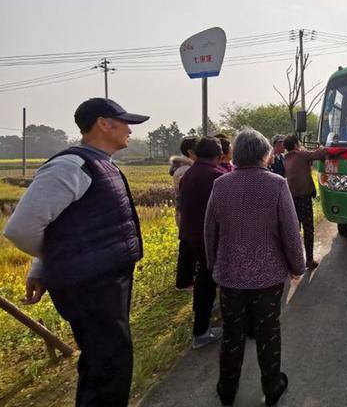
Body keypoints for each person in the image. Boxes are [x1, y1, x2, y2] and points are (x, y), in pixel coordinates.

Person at [3, 98, 149, 407]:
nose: (130, 132)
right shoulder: (71, 166)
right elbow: (21, 228)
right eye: (124, 123)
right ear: (103, 123)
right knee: (108, 368)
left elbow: (61, 228)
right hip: (90, 287)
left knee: (105, 364)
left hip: (103, 282)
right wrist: (53, 260)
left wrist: (42, 264)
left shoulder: (99, 163)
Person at [204, 128, 305, 406]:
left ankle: (226, 390)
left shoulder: (221, 185)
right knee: (268, 333)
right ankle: (272, 387)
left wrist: (214, 265)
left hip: (229, 276)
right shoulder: (276, 184)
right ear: (264, 154)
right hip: (268, 278)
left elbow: (210, 231)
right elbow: (290, 233)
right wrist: (298, 266)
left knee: (232, 335)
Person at [178, 136, 225, 348]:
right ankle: (201, 332)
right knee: (207, 282)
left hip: (190, 236)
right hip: (208, 238)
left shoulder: (189, 174)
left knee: (202, 281)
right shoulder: (217, 176)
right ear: (219, 154)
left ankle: (201, 323)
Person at [283, 134, 327, 270]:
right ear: (296, 145)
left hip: (291, 199)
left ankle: (295, 261)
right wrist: (322, 147)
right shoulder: (301, 154)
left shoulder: (285, 158)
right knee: (308, 229)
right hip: (304, 198)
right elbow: (321, 154)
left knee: (295, 229)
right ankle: (309, 260)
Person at [169, 136, 198, 290]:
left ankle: (186, 279)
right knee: (187, 247)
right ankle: (184, 282)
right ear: (190, 152)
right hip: (186, 213)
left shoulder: (186, 168)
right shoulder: (185, 170)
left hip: (186, 212)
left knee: (188, 246)